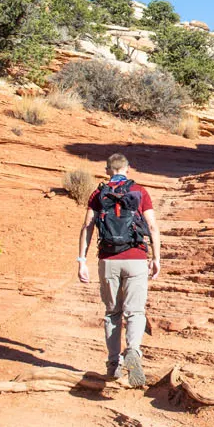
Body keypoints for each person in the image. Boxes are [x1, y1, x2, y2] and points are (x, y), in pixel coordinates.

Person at [76, 153, 161, 387]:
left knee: (112, 313)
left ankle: (113, 364)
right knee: (135, 312)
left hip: (108, 259)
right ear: (127, 169)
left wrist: (81, 260)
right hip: (135, 258)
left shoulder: (98, 193)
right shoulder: (140, 191)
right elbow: (152, 226)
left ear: (107, 170)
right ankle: (133, 351)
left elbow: (87, 225)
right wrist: (156, 258)